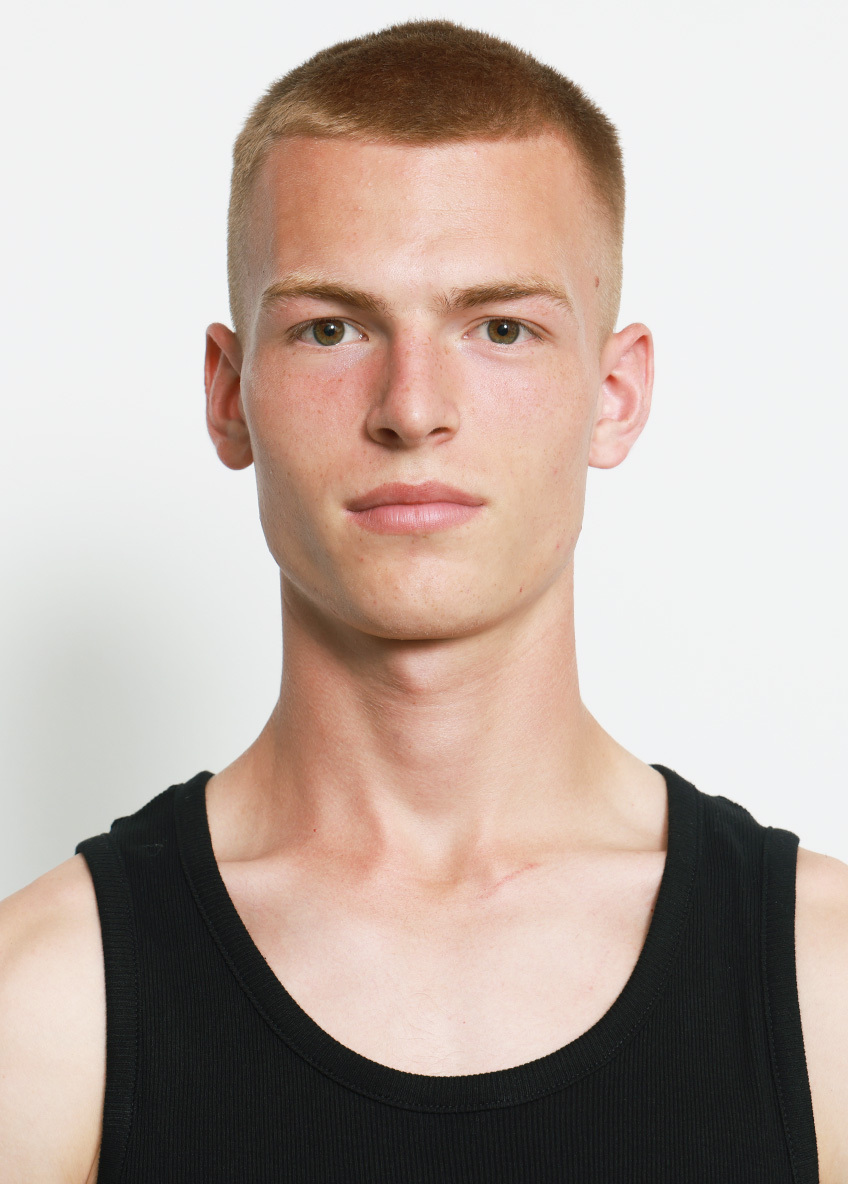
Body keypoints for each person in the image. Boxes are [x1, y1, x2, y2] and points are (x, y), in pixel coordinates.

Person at [0, 18, 845, 1182]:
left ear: (612, 394)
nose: (410, 407)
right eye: (330, 327)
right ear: (229, 394)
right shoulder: (42, 1008)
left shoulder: (825, 985)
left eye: (499, 328)